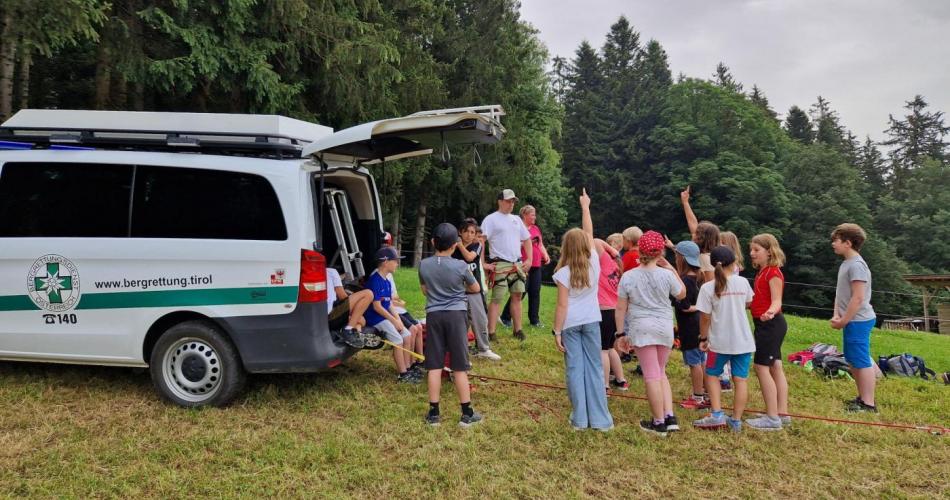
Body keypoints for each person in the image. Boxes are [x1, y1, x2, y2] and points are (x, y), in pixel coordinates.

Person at [552, 188, 613, 432]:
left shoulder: (563, 273)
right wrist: (585, 207)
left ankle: (579, 419)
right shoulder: (594, 263)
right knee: (595, 368)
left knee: (575, 369)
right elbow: (589, 233)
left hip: (570, 325)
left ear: (566, 247)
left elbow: (562, 305)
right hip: (591, 321)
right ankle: (600, 420)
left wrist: (557, 332)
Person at [615, 231, 687, 436]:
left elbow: (620, 308)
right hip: (664, 327)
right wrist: (671, 269)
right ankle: (669, 416)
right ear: (661, 252)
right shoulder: (666, 275)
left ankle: (658, 422)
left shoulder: (629, 276)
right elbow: (682, 293)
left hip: (642, 328)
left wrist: (620, 334)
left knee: (652, 375)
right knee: (660, 372)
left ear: (641, 250)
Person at [419, 223, 484, 427]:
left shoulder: (424, 265)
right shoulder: (461, 266)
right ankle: (467, 413)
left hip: (434, 315)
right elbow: (475, 288)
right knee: (459, 366)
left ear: (433, 242)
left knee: (434, 365)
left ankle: (433, 414)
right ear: (455, 244)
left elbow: (425, 290)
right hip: (456, 316)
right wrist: (458, 288)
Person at [692, 246, 755, 432]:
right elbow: (749, 302)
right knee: (740, 380)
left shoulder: (707, 288)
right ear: (734, 263)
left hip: (719, 343)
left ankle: (717, 414)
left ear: (712, 265)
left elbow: (704, 317)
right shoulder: (743, 282)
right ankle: (736, 421)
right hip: (743, 341)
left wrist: (703, 338)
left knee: (711, 374)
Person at [830, 223, 878, 413]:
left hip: (858, 320)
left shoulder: (857, 265)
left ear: (848, 243)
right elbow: (840, 293)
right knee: (852, 359)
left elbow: (858, 297)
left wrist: (844, 320)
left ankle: (868, 404)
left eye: (836, 240)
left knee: (861, 360)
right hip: (851, 320)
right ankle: (861, 397)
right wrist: (837, 314)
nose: (833, 244)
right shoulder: (846, 263)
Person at [746, 233, 790, 430]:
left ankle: (772, 418)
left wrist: (770, 312)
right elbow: (758, 299)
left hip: (770, 324)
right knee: (775, 367)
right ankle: (781, 413)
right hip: (765, 324)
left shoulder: (773, 273)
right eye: (751, 249)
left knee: (761, 367)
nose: (752, 253)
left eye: (756, 250)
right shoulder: (762, 272)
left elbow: (776, 300)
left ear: (769, 252)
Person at [481, 189, 533, 341]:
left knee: (517, 296)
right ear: (500, 201)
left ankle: (518, 330)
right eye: (508, 201)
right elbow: (481, 241)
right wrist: (482, 263)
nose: (511, 204)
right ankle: (491, 332)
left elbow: (527, 239)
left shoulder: (516, 219)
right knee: (497, 298)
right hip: (500, 263)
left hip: (517, 264)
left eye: (513, 201)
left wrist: (529, 259)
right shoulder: (491, 219)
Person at [363, 247, 419, 383]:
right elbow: (377, 307)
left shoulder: (387, 281)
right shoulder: (375, 280)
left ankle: (408, 368)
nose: (397, 264)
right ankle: (402, 374)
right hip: (376, 318)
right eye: (395, 261)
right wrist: (394, 321)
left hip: (385, 316)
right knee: (398, 341)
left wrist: (398, 320)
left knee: (407, 335)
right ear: (385, 261)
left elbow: (389, 305)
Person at [453, 218, 501, 361]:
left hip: (474, 290)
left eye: (472, 232)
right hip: (458, 291)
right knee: (461, 322)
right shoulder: (452, 248)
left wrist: (459, 245)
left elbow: (469, 258)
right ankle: (460, 348)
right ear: (460, 232)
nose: (469, 235)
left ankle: (483, 349)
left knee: (480, 320)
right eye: (466, 231)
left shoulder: (476, 246)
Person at [672, 240, 708, 410]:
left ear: (682, 259)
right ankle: (706, 392)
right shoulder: (699, 277)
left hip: (689, 327)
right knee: (701, 360)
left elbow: (685, 306)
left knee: (694, 363)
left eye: (677, 256)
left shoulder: (685, 280)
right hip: (699, 325)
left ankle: (698, 397)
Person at [501, 205, 550, 329]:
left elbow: (540, 244)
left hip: (536, 264)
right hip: (522, 265)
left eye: (534, 214)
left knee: (535, 292)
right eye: (532, 215)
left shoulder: (535, 228)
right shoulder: (517, 228)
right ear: (525, 215)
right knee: (520, 292)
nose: (535, 217)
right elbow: (510, 244)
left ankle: (534, 320)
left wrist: (545, 254)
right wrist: (527, 243)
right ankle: (505, 317)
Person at [595, 234, 628, 391]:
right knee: (609, 348)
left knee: (602, 349)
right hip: (614, 310)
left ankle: (604, 385)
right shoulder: (617, 264)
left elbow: (595, 241)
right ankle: (621, 380)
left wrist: (611, 250)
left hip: (604, 310)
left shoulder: (606, 260)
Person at [326, 267, 373, 348]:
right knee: (368, 294)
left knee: (360, 319)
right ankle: (348, 330)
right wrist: (354, 298)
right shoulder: (331, 271)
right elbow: (342, 297)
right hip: (330, 316)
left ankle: (356, 333)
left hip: (320, 317)